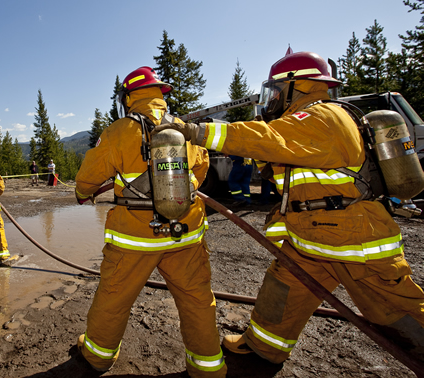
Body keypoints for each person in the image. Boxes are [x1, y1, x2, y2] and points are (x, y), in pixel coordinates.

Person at [153, 50, 424, 364]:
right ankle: (263, 347)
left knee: (396, 309)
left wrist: (199, 132)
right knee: (281, 291)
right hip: (313, 238)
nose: (274, 99)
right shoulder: (307, 120)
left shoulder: (319, 115)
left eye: (278, 91)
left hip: (353, 242)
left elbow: (267, 138)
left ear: (299, 85)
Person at [74, 66, 226, 377]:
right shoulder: (185, 128)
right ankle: (208, 367)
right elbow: (201, 168)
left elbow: (89, 176)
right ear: (161, 96)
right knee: (197, 299)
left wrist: (82, 192)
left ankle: (98, 357)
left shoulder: (119, 131)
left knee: (113, 297)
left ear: (128, 97)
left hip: (135, 237)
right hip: (186, 231)